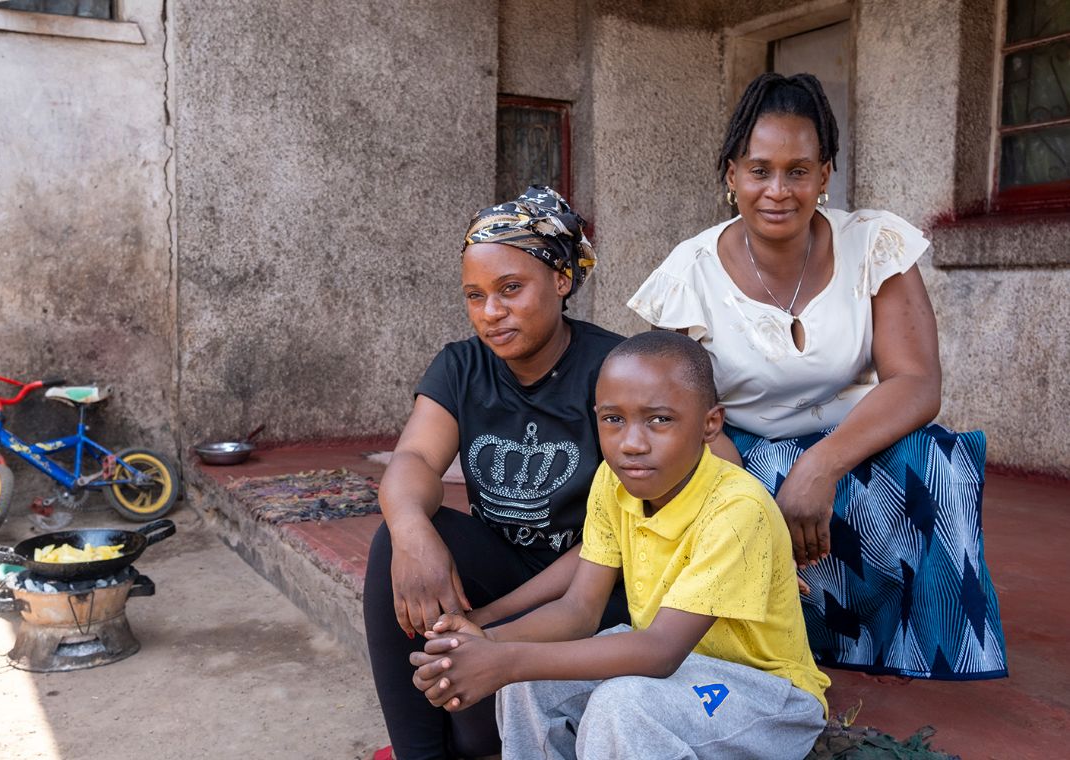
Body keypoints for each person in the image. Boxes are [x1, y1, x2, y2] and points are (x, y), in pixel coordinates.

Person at [627, 72, 1006, 681]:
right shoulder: (688, 274)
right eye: (760, 170)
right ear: (732, 176)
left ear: (824, 174)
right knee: (746, 492)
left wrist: (821, 465)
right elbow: (673, 410)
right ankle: (785, 644)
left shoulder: (873, 245)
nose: (778, 191)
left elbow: (915, 382)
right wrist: (747, 495)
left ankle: (921, 646)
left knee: (937, 464)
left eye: (798, 171)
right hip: (736, 448)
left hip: (854, 439)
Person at [410, 331, 829, 760]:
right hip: (677, 673)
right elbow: (578, 610)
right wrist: (486, 640)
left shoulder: (737, 508)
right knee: (530, 681)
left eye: (659, 420)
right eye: (613, 419)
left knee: (621, 705)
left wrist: (506, 660)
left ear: (710, 424)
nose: (632, 443)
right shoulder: (614, 482)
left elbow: (661, 651)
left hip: (766, 696)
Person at [363, 186, 629, 759]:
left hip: (594, 586)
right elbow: (414, 460)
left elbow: (616, 540)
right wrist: (412, 534)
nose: (491, 312)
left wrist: (485, 623)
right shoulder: (462, 365)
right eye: (475, 295)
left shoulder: (615, 369)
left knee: (474, 734)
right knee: (396, 539)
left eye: (511, 288)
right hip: (504, 567)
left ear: (561, 280)